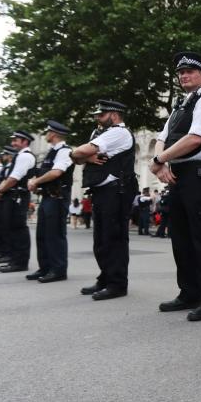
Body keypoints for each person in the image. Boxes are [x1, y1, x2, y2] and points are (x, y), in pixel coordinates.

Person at [151, 51, 201, 321]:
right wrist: (159, 162)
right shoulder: (179, 106)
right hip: (179, 174)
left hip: (200, 174)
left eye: (190, 71)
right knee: (181, 237)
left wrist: (160, 159)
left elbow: (196, 139)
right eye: (181, 72)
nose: (184, 75)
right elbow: (162, 137)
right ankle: (189, 292)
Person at [71, 100, 136, 300]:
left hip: (116, 191)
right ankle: (105, 278)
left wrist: (80, 155)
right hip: (102, 191)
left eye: (101, 114)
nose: (96, 118)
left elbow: (79, 153)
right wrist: (84, 157)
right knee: (101, 239)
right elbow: (79, 156)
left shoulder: (119, 133)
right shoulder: (99, 134)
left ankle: (117, 284)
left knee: (114, 239)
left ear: (114, 115)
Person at [26, 120, 74, 283]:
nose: (46, 134)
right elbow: (44, 172)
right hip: (47, 197)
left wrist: (36, 181)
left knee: (55, 235)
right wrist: (35, 182)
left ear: (53, 134)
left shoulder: (64, 151)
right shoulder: (51, 152)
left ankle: (58, 270)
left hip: (57, 198)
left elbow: (56, 173)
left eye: (48, 132)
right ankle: (45, 267)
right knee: (43, 235)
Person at [0, 131, 37, 274]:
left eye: (16, 140)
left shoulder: (25, 156)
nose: (13, 143)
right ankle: (14, 259)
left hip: (18, 196)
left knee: (18, 229)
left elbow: (14, 178)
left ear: (25, 142)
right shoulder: (20, 156)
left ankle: (20, 262)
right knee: (11, 228)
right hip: (13, 196)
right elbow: (9, 178)